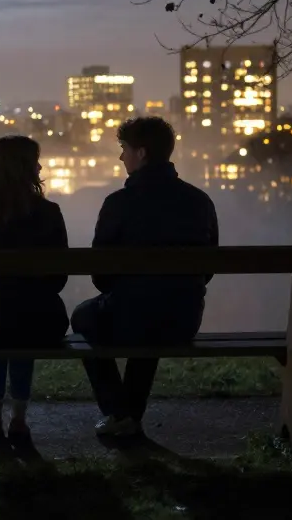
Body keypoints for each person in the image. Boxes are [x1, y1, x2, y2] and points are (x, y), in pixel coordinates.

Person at [71, 117, 218, 439]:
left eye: (123, 149)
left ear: (141, 153)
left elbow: (101, 275)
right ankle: (128, 417)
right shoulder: (199, 202)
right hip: (183, 319)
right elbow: (206, 270)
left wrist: (123, 292)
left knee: (85, 316)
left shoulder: (118, 204)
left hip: (132, 316)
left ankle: (118, 411)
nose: (121, 157)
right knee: (150, 313)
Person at [0, 135, 70, 444]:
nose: (40, 166)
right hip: (40, 322)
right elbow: (58, 278)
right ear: (26, 169)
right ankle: (18, 419)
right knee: (24, 317)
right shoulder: (49, 214)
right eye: (36, 161)